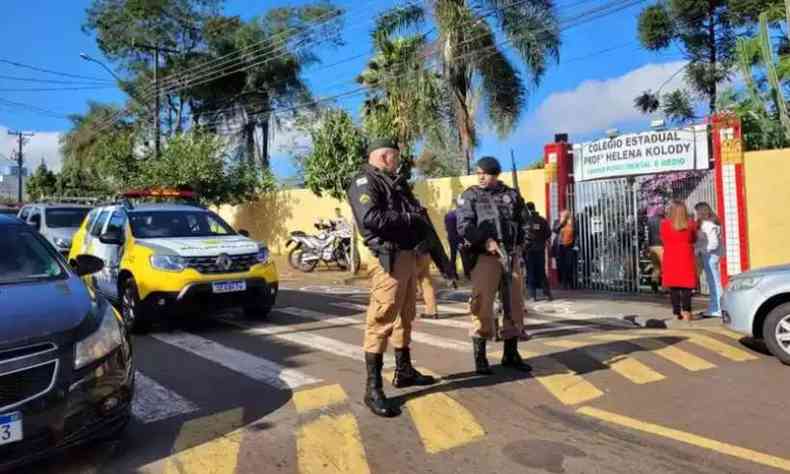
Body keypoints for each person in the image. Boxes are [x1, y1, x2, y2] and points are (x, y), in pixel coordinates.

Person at [346, 138, 437, 418]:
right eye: (395, 157)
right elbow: (372, 217)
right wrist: (409, 219)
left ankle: (404, 370)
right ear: (385, 156)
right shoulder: (364, 181)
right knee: (382, 319)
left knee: (405, 315)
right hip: (388, 259)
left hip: (408, 257)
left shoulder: (395, 183)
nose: (398, 161)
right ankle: (372, 389)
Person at [457, 156, 531, 375]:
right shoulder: (470, 195)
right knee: (482, 304)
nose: (480, 176)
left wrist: (521, 246)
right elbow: (464, 226)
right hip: (485, 258)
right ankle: (480, 357)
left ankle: (511, 353)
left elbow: (525, 222)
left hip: (510, 256)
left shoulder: (512, 195)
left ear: (495, 175)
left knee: (514, 304)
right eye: (478, 172)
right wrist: (484, 240)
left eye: (485, 173)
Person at [660, 200, 698, 321]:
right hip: (686, 256)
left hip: (671, 256)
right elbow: (694, 239)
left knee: (674, 287)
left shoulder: (665, 224)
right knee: (687, 286)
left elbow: (663, 239)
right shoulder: (691, 224)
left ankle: (676, 313)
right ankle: (687, 311)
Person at [694, 202, 723, 317]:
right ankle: (714, 307)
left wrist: (701, 250)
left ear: (701, 212)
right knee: (713, 282)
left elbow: (713, 244)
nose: (696, 214)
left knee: (714, 282)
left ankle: (717, 308)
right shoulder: (711, 222)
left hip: (710, 256)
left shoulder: (708, 224)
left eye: (697, 211)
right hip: (710, 255)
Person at [523, 202, 553, 302]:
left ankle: (533, 296)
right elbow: (548, 233)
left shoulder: (525, 220)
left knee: (531, 272)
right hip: (540, 249)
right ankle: (547, 294)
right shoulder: (542, 220)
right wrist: (541, 240)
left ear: (527, 209)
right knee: (541, 272)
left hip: (529, 250)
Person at [553, 209, 576, 289]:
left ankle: (571, 282)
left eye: (565, 215)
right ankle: (563, 283)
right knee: (561, 265)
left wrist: (576, 245)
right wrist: (561, 223)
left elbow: (576, 233)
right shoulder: (557, 222)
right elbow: (555, 230)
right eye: (562, 215)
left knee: (569, 264)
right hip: (560, 246)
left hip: (569, 246)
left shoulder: (572, 222)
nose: (563, 216)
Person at [647, 207, 665, 293]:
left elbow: (648, 234)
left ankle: (654, 285)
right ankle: (665, 287)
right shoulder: (664, 221)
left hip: (652, 246)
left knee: (656, 267)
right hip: (661, 246)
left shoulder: (650, 221)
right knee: (665, 267)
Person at [416, 251, 439, 319]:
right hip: (426, 254)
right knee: (426, 282)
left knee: (407, 281)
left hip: (413, 254)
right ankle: (432, 311)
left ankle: (400, 313)